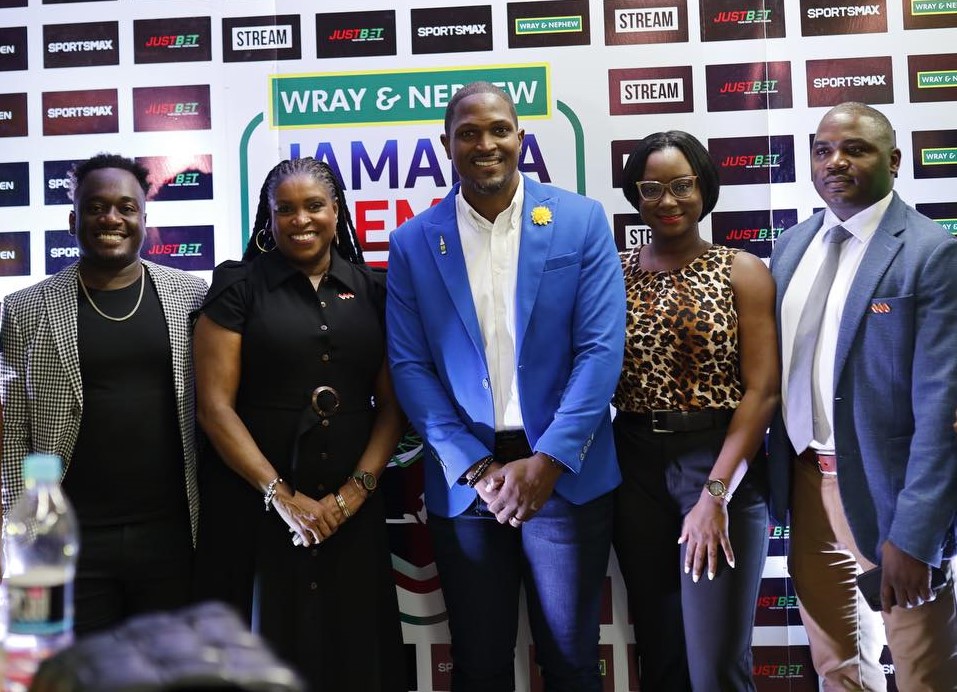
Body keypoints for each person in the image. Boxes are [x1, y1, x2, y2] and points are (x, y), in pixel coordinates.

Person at [386, 82, 626, 691]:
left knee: (571, 664)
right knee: (480, 663)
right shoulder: (414, 241)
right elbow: (410, 366)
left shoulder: (580, 220)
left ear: (521, 137)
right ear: (446, 145)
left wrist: (548, 462)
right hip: (469, 485)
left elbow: (600, 352)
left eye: (498, 130)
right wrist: (475, 467)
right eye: (468, 133)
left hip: (566, 477)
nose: (485, 144)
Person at [192, 157, 406, 690]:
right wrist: (282, 497)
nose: (300, 219)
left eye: (314, 206)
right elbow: (214, 408)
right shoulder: (237, 287)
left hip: (351, 511)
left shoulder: (375, 289)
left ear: (337, 211)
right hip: (257, 509)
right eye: (284, 209)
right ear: (268, 219)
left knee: (355, 652)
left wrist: (352, 495)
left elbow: (394, 406)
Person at [768, 102, 957, 690]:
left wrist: (918, 534)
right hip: (806, 486)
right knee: (839, 671)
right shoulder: (792, 246)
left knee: (924, 674)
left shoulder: (931, 252)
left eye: (856, 149)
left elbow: (942, 408)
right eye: (823, 151)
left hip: (892, 496)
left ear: (894, 161)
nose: (836, 162)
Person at [0, 153, 207, 634]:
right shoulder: (24, 308)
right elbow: (11, 436)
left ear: (144, 219)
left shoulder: (192, 296)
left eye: (125, 208)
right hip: (64, 538)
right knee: (64, 665)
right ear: (73, 220)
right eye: (95, 207)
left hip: (172, 536)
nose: (110, 218)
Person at [612, 131, 779, 691]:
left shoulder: (741, 270)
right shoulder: (615, 273)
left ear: (704, 187)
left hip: (717, 460)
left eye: (681, 185)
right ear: (635, 196)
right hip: (634, 466)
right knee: (660, 657)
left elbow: (763, 392)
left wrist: (716, 494)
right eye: (651, 189)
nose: (668, 200)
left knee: (715, 669)